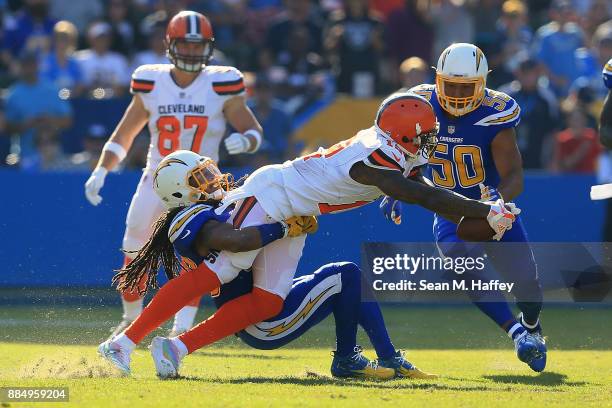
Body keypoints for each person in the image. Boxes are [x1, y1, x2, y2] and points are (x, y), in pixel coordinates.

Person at [99, 92, 520, 379]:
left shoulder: (391, 145)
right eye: (424, 135)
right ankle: (126, 341)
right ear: (403, 135)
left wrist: (399, 194)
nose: (430, 141)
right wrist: (485, 210)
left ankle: (177, 348)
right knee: (226, 267)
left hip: (296, 210)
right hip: (271, 196)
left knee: (269, 300)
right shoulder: (369, 160)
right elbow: (420, 192)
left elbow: (410, 176)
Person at [98, 151, 435, 380]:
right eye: (199, 178)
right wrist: (284, 228)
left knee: (343, 277)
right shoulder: (191, 216)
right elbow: (238, 241)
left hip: (256, 306)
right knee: (345, 275)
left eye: (208, 171)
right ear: (179, 194)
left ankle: (349, 358)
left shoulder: (226, 204)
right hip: (262, 318)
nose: (212, 179)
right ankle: (133, 342)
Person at [84, 11, 264, 340]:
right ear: (170, 44)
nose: (193, 52)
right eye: (186, 44)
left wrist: (246, 140)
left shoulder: (222, 82)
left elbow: (253, 129)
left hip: (204, 186)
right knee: (134, 243)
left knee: (195, 255)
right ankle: (131, 318)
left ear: (208, 47)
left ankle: (181, 328)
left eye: (199, 46)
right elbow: (124, 134)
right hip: (157, 178)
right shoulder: (151, 81)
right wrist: (101, 169)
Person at [380, 43, 547, 372]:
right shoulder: (420, 104)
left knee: (527, 285)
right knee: (458, 257)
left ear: (482, 83)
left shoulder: (495, 112)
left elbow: (514, 175)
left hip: (490, 205)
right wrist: (396, 187)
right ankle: (517, 334)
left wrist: (497, 204)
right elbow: (405, 156)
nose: (456, 93)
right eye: (450, 84)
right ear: (437, 80)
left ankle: (531, 325)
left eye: (465, 86)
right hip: (448, 208)